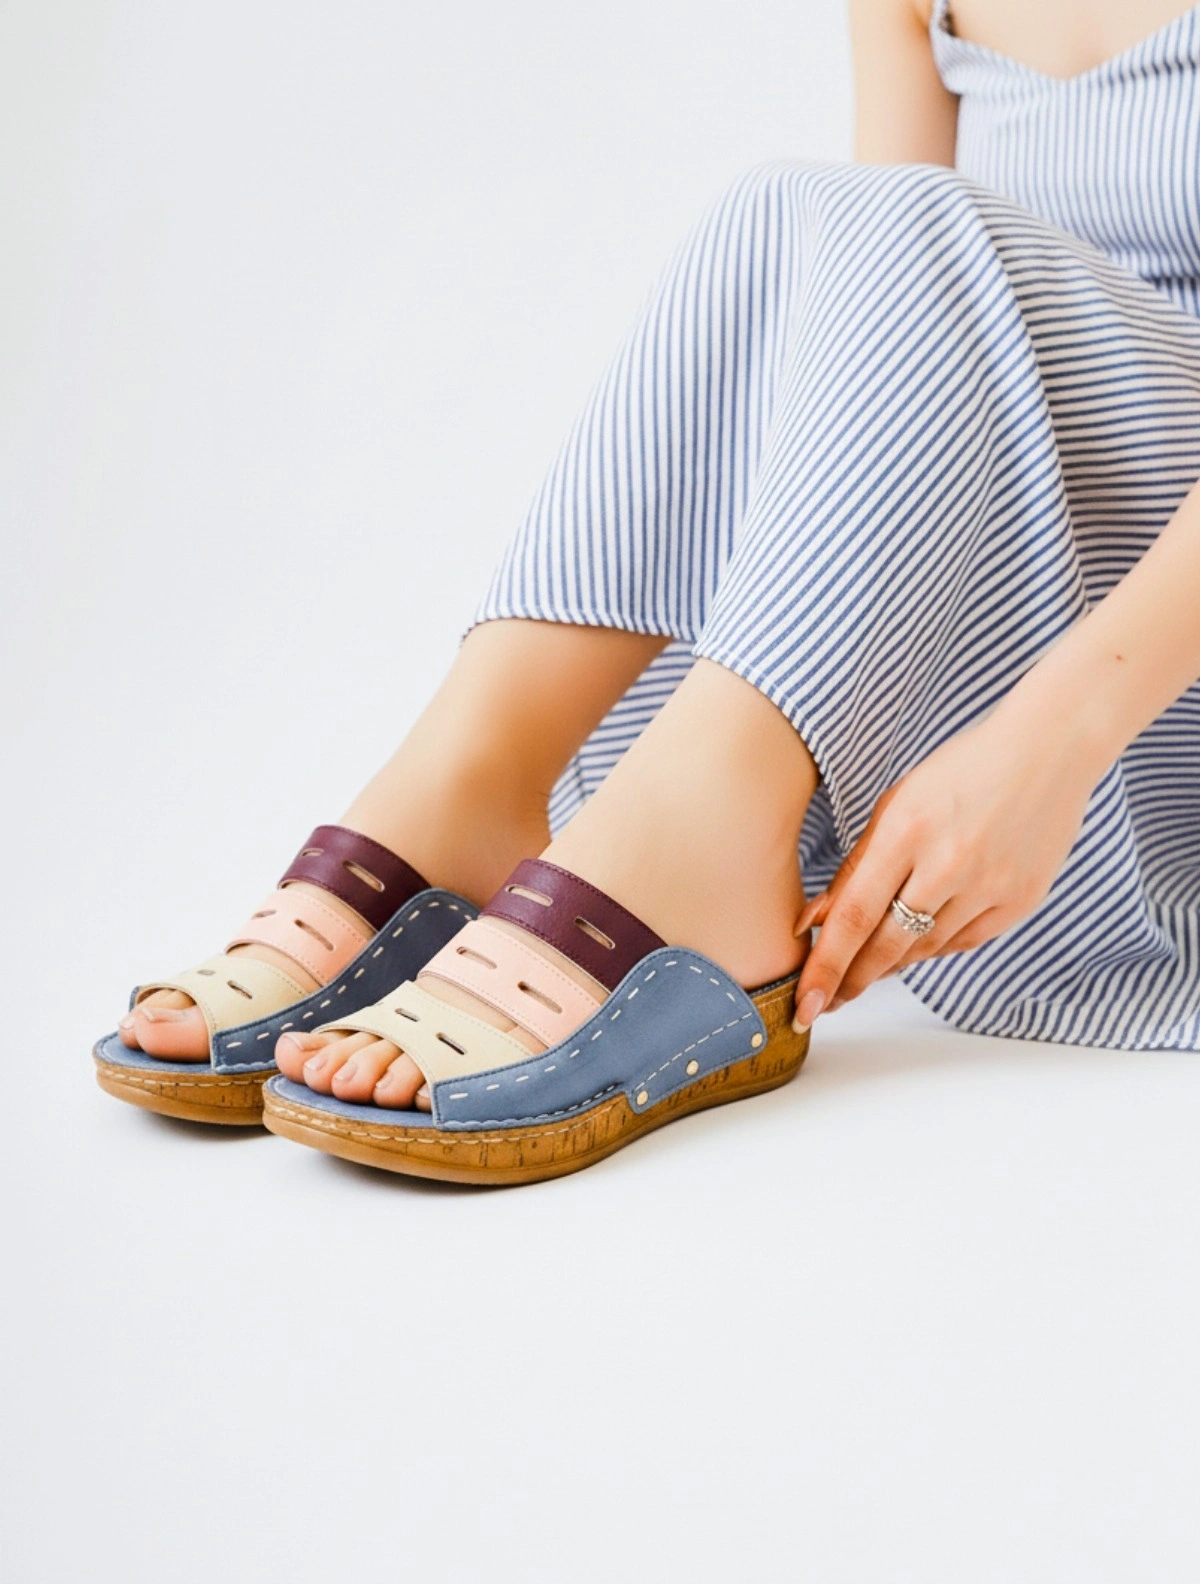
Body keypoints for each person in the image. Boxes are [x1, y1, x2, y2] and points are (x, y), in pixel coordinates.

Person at [95, 0, 1200, 1181]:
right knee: (799, 208)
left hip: (1146, 679)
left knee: (897, 216)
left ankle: (707, 829)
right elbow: (867, 318)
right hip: (1022, 587)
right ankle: (476, 781)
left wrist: (1053, 741)